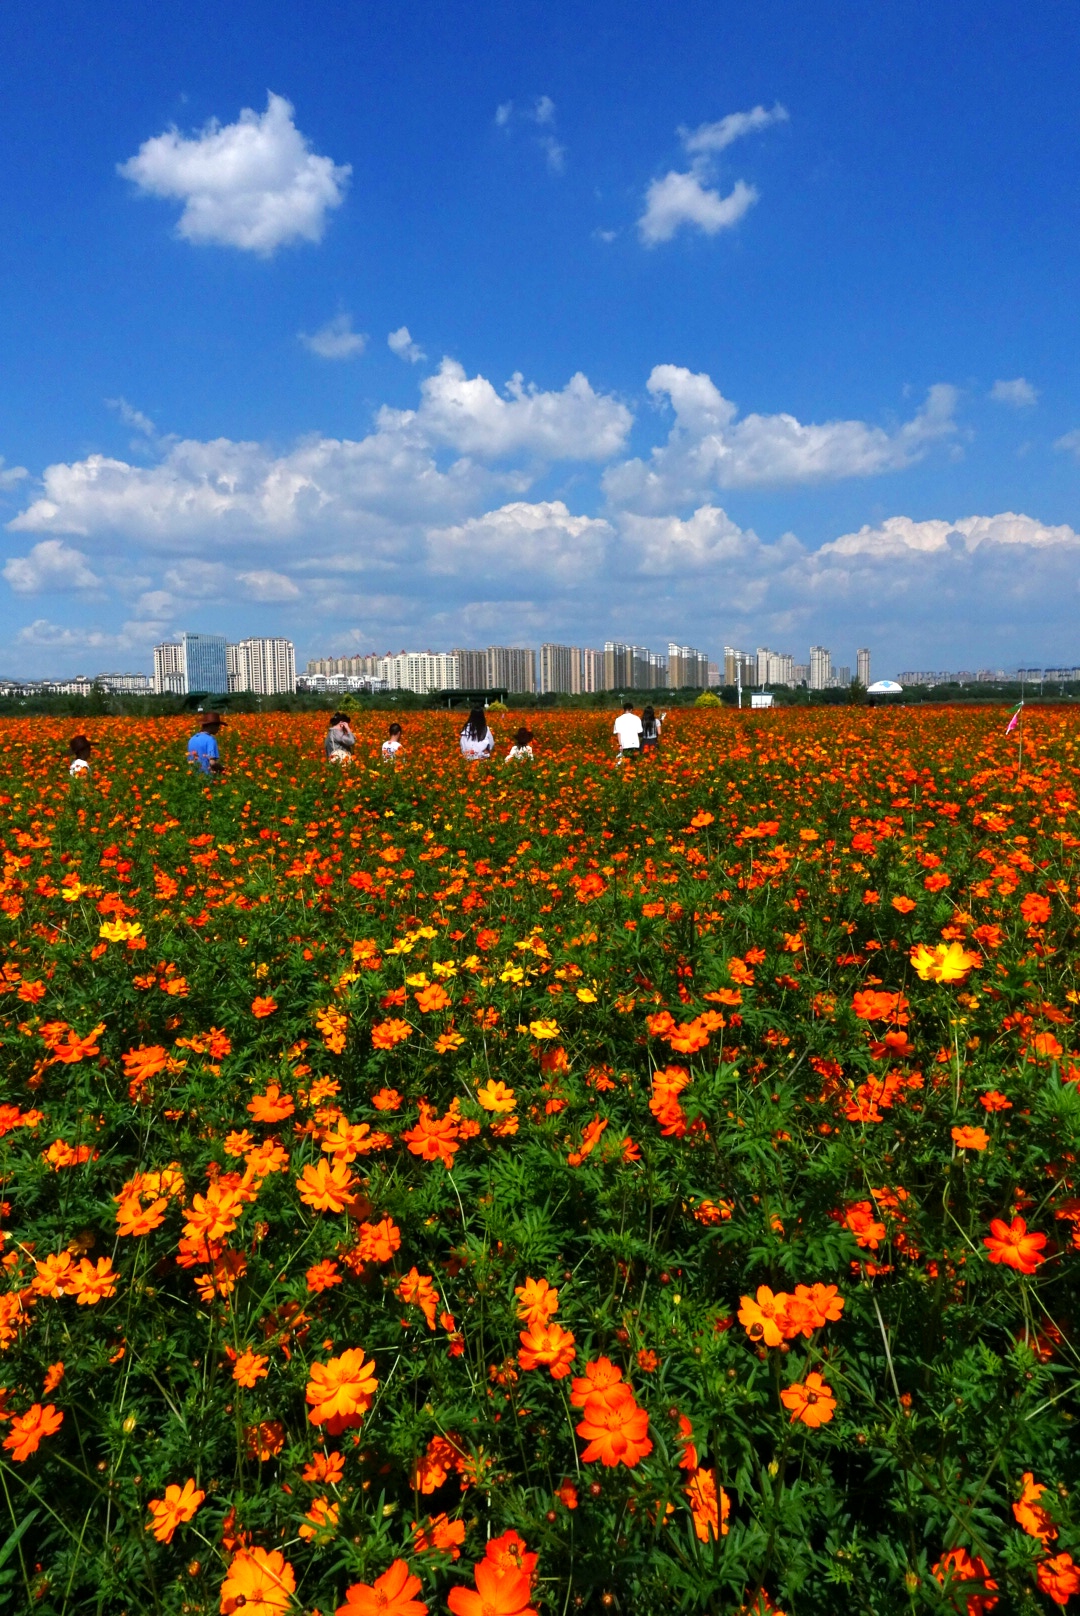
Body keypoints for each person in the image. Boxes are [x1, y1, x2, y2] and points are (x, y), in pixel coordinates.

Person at [613, 699, 642, 764]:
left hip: (624, 744)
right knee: (634, 762)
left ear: (624, 709)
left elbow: (618, 733)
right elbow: (639, 731)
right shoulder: (637, 718)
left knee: (624, 763)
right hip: (635, 744)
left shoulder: (618, 719)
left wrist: (620, 745)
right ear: (631, 709)